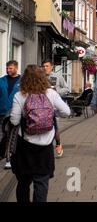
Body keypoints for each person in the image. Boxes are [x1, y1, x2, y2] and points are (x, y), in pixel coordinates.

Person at [9, 65, 70, 202]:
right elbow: (66, 112)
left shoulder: (19, 95)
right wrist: (52, 113)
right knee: (41, 183)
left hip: (25, 147)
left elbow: (14, 120)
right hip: (45, 147)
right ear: (43, 78)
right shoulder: (51, 94)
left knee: (23, 183)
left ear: (25, 79)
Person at [42, 60, 69, 158]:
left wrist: (56, 91)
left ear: (52, 67)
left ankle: (58, 143)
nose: (45, 68)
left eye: (47, 66)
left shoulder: (58, 76)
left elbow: (66, 88)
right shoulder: (40, 77)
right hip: (42, 106)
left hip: (53, 107)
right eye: (43, 66)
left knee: (55, 127)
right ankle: (45, 147)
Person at [0, 61, 21, 170]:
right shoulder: (1, 81)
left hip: (14, 113)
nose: (8, 70)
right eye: (7, 68)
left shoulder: (22, 81)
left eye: (11, 68)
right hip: (1, 113)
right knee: (2, 135)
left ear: (16, 68)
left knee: (10, 136)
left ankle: (9, 159)